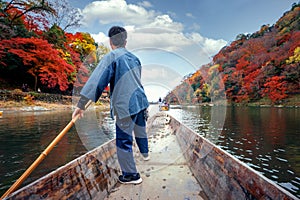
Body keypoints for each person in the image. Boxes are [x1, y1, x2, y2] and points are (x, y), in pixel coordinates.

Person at [72, 26, 149, 184]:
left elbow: (98, 81)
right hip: (141, 100)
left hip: (125, 104)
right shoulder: (135, 58)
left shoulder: (112, 56)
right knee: (140, 130)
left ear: (110, 41)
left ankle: (131, 175)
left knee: (123, 140)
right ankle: (145, 152)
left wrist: (81, 104)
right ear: (125, 41)